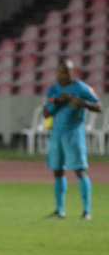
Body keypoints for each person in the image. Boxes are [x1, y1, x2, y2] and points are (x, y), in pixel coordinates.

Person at [43, 58, 102, 220]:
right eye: (61, 71)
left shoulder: (81, 87)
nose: (63, 74)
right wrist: (58, 102)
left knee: (79, 170)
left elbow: (98, 106)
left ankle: (86, 211)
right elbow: (46, 112)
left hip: (74, 133)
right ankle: (59, 210)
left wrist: (82, 102)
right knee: (57, 170)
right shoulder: (53, 90)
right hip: (56, 133)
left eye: (67, 71)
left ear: (72, 72)